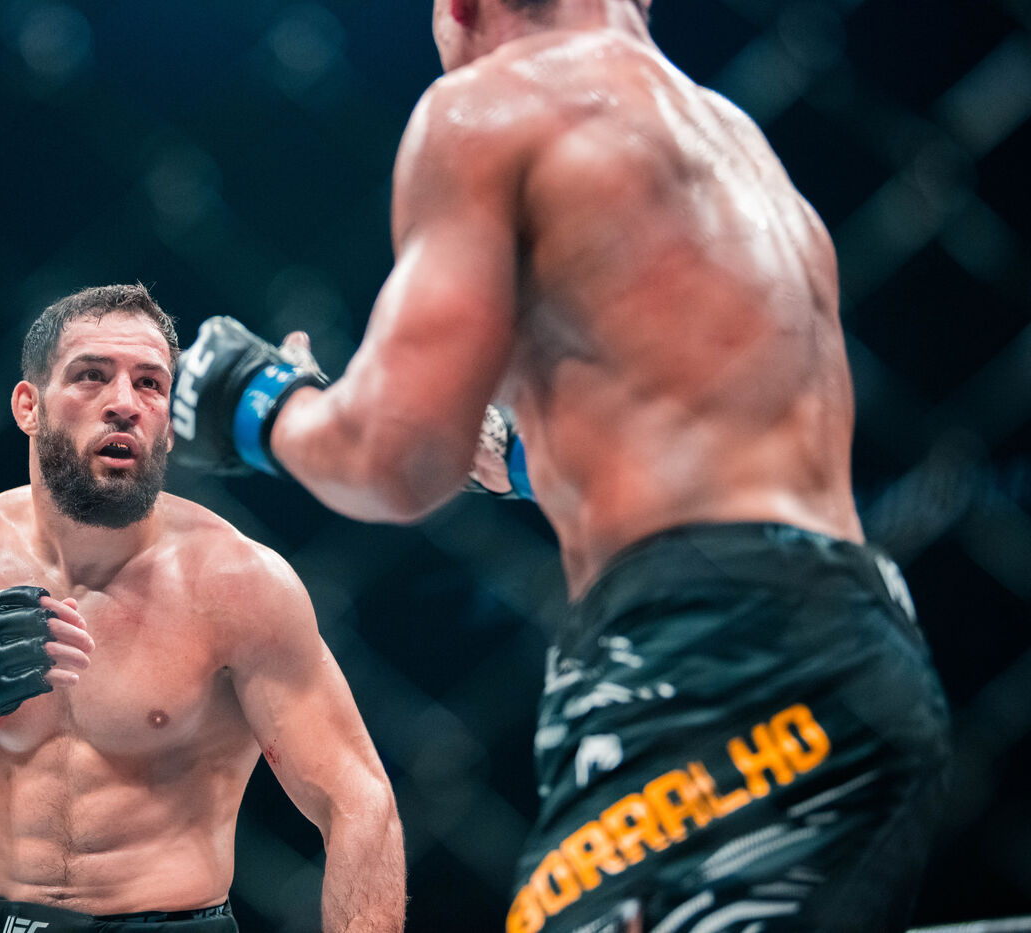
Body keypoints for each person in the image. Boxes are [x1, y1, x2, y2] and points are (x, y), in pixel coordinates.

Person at [169, 1, 951, 931]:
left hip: (702, 661)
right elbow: (696, 448)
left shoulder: (490, 107)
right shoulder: (737, 148)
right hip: (870, 653)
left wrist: (256, 401)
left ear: (461, 7)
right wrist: (510, 451)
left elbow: (392, 458)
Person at [0, 284, 405, 933]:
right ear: (28, 405)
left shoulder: (237, 583)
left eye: (150, 384)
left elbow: (360, 803)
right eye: (91, 375)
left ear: (171, 421)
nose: (124, 404)